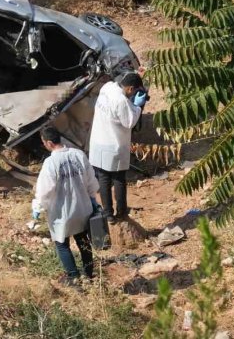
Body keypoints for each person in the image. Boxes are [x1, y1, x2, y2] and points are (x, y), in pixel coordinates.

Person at [31, 127, 100, 284]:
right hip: (83, 208)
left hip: (62, 213)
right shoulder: (78, 155)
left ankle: (73, 276)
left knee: (62, 245)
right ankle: (89, 274)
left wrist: (38, 207)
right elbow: (91, 180)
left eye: (43, 143)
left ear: (48, 143)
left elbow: (44, 191)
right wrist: (92, 198)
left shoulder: (51, 163)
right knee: (83, 242)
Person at [88, 72, 149, 221]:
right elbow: (130, 122)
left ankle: (108, 214)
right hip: (113, 146)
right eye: (134, 92)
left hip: (98, 143)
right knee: (119, 178)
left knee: (103, 179)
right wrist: (137, 106)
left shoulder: (107, 87)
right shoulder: (122, 101)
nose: (134, 94)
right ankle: (121, 212)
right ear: (130, 89)